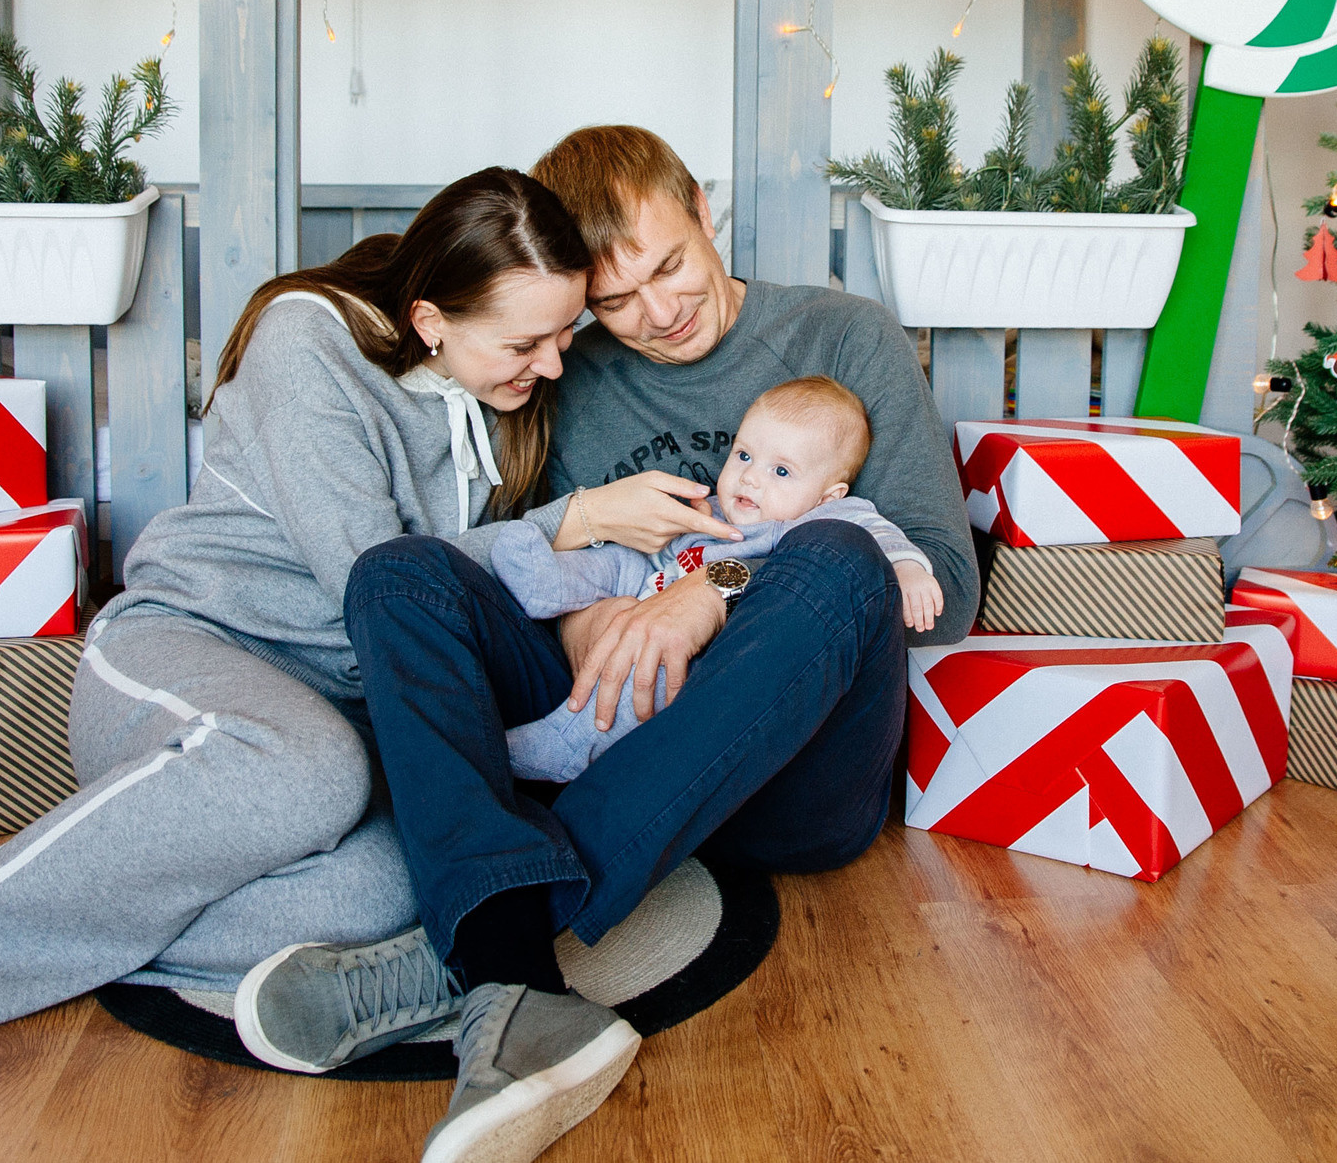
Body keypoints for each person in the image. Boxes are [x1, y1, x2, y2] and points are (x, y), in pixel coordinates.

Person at [0, 168, 595, 1088]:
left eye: (566, 333)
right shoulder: (307, 341)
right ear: (431, 318)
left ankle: (9, 884)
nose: (555, 364)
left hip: (337, 713)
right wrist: (566, 525)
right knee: (308, 770)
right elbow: (374, 576)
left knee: (398, 889)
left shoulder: (504, 400)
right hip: (188, 653)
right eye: (527, 342)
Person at [238, 127, 976, 1163]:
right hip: (616, 719)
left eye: (669, 265)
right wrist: (598, 623)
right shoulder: (567, 371)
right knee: (397, 573)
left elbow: (940, 584)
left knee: (842, 552)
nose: (658, 312)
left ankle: (476, 946)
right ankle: (517, 978)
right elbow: (546, 567)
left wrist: (711, 594)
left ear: (703, 211)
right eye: (615, 299)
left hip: (792, 769)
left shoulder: (843, 336)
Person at [498, 375, 943, 781]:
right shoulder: (711, 509)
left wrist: (907, 568)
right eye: (744, 455)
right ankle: (546, 581)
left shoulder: (820, 519)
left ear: (828, 496)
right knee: (620, 557)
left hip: (702, 649)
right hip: (652, 587)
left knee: (655, 669)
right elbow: (651, 558)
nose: (749, 477)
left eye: (781, 471)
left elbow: (874, 534)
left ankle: (570, 743)